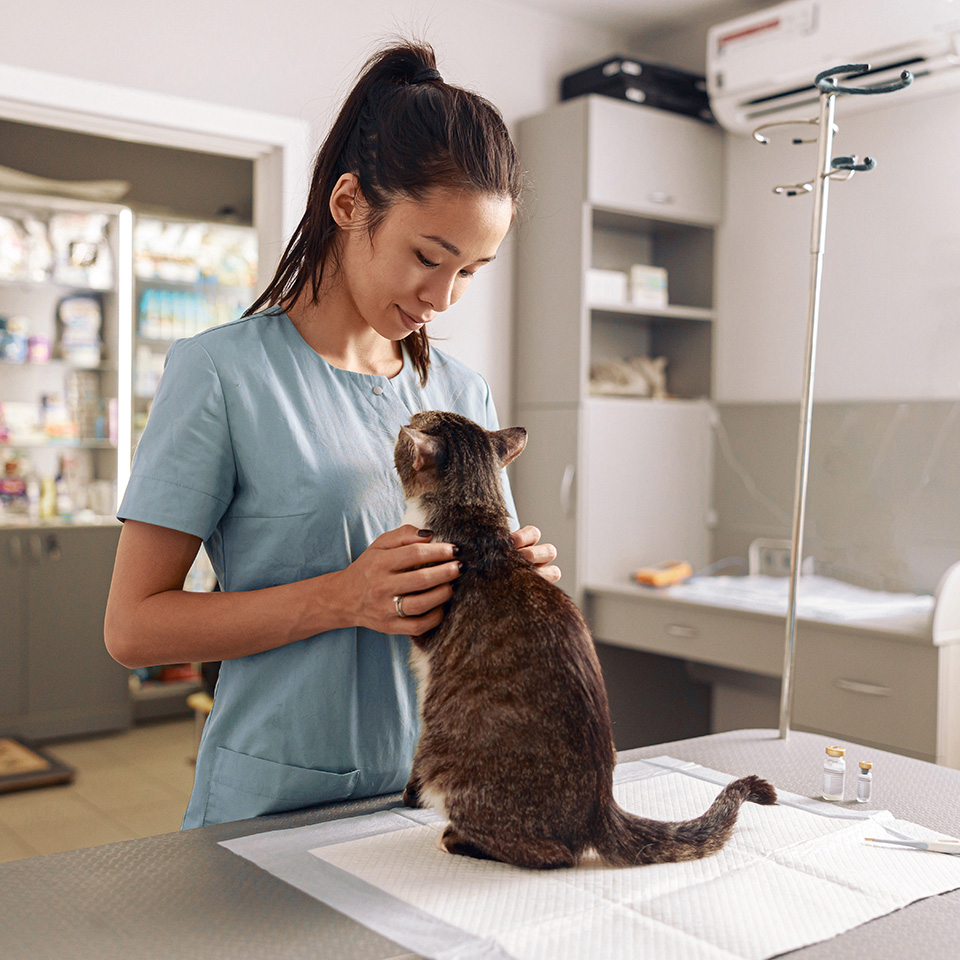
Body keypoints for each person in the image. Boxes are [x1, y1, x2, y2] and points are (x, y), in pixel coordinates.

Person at [104, 40, 560, 829]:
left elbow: (464, 608)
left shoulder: (460, 395)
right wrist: (342, 598)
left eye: (471, 271)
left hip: (437, 802)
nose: (444, 297)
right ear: (349, 204)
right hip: (274, 804)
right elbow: (133, 628)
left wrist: (515, 584)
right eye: (429, 256)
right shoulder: (221, 374)